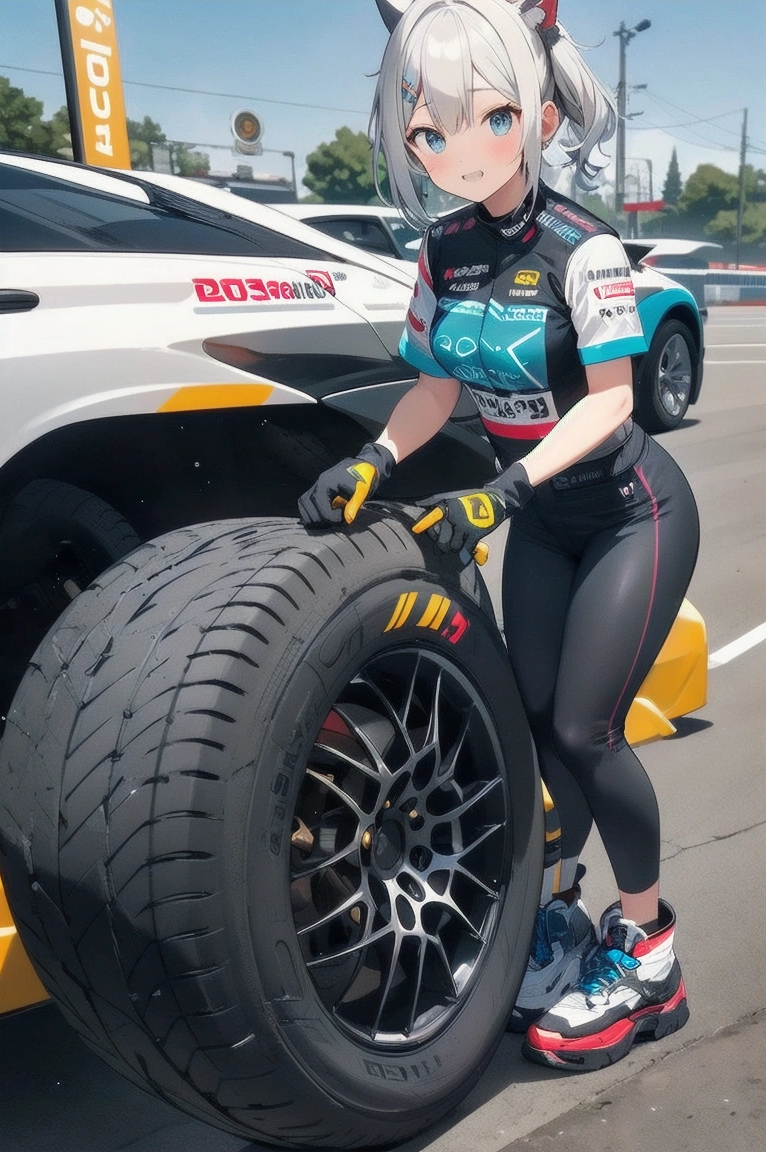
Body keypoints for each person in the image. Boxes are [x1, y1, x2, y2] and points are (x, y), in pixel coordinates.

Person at [298, 0, 699, 1072]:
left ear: (533, 118)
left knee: (584, 730)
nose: (450, 149)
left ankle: (650, 954)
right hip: (541, 521)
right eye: (427, 130)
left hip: (630, 513)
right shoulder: (444, 248)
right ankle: (558, 917)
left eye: (483, 118)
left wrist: (504, 487)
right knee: (531, 728)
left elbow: (612, 402)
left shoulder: (583, 244)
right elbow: (437, 387)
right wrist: (375, 460)